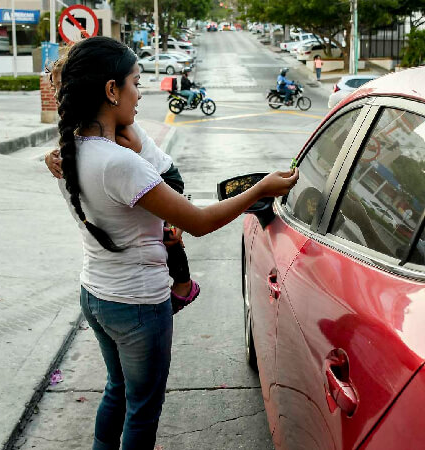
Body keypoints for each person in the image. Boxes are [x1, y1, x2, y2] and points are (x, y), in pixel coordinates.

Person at [54, 36, 298, 449]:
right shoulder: (119, 163)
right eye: (135, 81)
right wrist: (259, 189)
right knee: (142, 409)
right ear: (111, 90)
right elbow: (198, 221)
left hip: (95, 294)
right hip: (136, 305)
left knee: (117, 388)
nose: (141, 91)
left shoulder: (67, 153)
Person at [47, 55, 200, 313]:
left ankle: (184, 283)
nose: (61, 92)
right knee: (162, 233)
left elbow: (133, 147)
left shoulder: (114, 117)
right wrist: (50, 157)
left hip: (162, 175)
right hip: (140, 180)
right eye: (56, 87)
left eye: (65, 84)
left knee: (168, 235)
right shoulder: (80, 121)